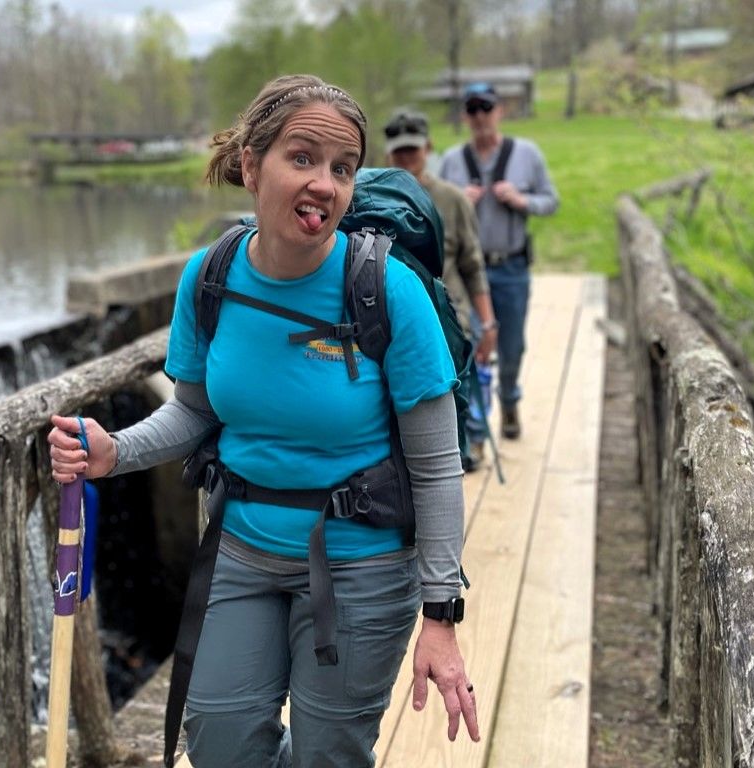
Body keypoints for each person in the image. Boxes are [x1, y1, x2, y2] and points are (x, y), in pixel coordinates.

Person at [48, 74, 479, 768]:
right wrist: (113, 451)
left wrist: (441, 614)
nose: (324, 184)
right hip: (240, 551)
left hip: (362, 566)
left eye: (343, 168)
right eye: (302, 158)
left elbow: (435, 466)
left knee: (327, 756)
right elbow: (195, 411)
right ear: (251, 165)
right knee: (219, 741)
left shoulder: (386, 290)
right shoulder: (210, 277)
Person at [439, 82, 559, 439]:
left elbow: (551, 201)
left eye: (486, 108)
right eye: (472, 110)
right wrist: (458, 201)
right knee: (471, 344)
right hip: (465, 273)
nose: (480, 116)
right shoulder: (452, 161)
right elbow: (433, 209)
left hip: (511, 267)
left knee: (511, 346)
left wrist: (523, 201)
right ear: (465, 116)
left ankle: (508, 399)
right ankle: (475, 430)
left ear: (500, 111)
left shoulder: (526, 154)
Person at [383, 108, 497, 469]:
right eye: (399, 150)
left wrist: (487, 324)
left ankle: (462, 454)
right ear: (388, 153)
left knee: (453, 406)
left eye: (413, 149)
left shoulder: (452, 200)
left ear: (428, 148)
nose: (406, 157)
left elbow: (472, 265)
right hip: (388, 323)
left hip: (447, 322)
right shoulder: (372, 197)